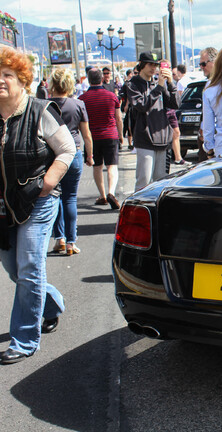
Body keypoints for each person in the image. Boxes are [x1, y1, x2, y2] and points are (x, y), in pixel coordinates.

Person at [0, 47, 76, 365]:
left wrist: (47, 183)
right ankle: (52, 304)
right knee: (16, 270)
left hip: (39, 201)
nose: (1, 80)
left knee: (30, 266)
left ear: (23, 80)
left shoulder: (40, 110)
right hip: (4, 207)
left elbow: (67, 149)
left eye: (7, 75)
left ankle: (25, 339)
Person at [48, 68, 94, 255]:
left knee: (55, 197)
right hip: (73, 152)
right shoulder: (78, 104)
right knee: (70, 197)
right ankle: (70, 242)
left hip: (52, 155)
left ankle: (59, 238)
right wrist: (90, 155)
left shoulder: (46, 105)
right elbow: (86, 134)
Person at [127, 51, 178, 191]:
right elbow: (142, 105)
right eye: (150, 65)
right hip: (145, 139)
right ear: (141, 65)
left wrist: (170, 83)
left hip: (162, 138)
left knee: (161, 183)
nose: (154, 68)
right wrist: (159, 87)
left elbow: (175, 104)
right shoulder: (133, 84)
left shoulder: (157, 83)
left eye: (156, 65)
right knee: (143, 182)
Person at [79, 68, 123, 209]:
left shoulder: (82, 99)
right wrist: (121, 135)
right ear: (102, 79)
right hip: (110, 135)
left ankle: (102, 195)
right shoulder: (111, 96)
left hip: (92, 137)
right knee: (112, 165)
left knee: (97, 166)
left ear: (88, 79)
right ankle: (111, 192)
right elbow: (118, 118)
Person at [162, 60, 189, 166]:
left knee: (176, 132)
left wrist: (170, 82)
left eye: (168, 68)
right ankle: (175, 156)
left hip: (171, 110)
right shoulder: (157, 81)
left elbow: (177, 100)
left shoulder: (172, 82)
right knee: (170, 135)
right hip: (164, 111)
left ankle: (178, 157)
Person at [197, 47, 218, 162]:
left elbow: (208, 124)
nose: (201, 67)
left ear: (214, 62)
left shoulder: (211, 87)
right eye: (200, 64)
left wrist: (209, 149)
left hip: (219, 146)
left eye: (203, 64)